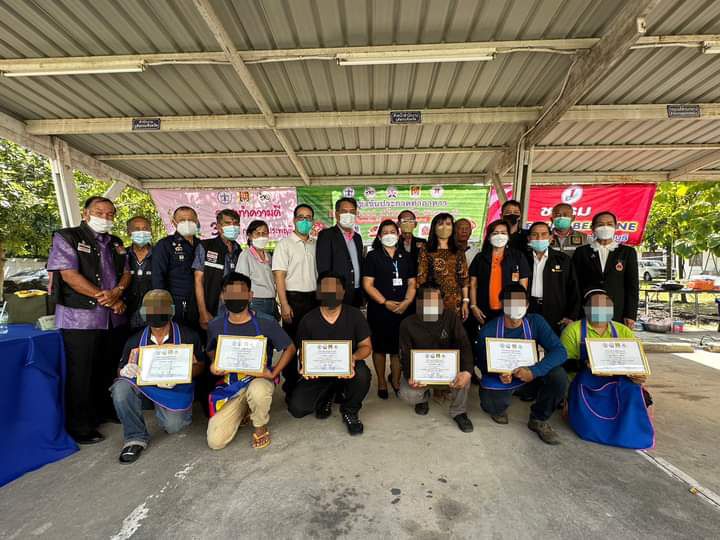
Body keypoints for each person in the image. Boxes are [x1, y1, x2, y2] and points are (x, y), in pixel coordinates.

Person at [47, 196, 131, 445]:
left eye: (110, 214)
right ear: (85, 214)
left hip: (112, 318)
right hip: (80, 319)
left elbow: (126, 272)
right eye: (99, 212)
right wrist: (106, 298)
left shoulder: (115, 242)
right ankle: (80, 427)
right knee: (81, 373)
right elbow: (69, 275)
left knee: (107, 367)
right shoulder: (67, 237)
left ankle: (105, 411)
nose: (105, 217)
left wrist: (117, 292)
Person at [110, 289, 205, 463]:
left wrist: (186, 370)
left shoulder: (188, 335)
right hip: (146, 386)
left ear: (172, 311)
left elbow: (201, 366)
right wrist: (125, 371)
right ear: (143, 313)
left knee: (174, 426)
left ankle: (168, 410)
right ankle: (135, 437)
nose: (156, 313)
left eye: (161, 309)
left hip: (175, 388)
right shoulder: (135, 340)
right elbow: (120, 369)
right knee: (120, 388)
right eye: (151, 310)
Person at [206, 273, 296, 450]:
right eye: (230, 293)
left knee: (258, 391)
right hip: (232, 385)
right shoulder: (215, 325)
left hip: (258, 379)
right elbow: (210, 349)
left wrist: (273, 372)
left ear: (250, 295)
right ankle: (245, 408)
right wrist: (214, 364)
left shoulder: (266, 322)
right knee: (215, 442)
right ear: (222, 296)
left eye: (241, 293)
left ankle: (260, 426)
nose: (236, 298)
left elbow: (290, 348)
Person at [474, 284, 568, 444]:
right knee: (491, 404)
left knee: (559, 376)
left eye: (520, 303)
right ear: (502, 304)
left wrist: (534, 371)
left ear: (527, 305)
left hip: (531, 376)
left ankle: (538, 419)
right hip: (504, 378)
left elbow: (560, 351)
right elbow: (481, 364)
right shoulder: (487, 331)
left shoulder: (536, 322)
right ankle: (499, 406)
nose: (516, 307)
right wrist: (498, 373)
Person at [561, 289, 654, 449]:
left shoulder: (623, 331)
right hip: (586, 383)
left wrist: (638, 375)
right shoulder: (573, 331)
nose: (601, 311)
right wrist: (584, 365)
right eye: (596, 307)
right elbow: (562, 363)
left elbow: (637, 361)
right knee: (587, 423)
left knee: (634, 392)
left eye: (605, 308)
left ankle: (629, 433)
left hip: (618, 382)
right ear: (586, 309)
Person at [287, 272, 373, 435]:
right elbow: (302, 351)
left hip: (348, 369)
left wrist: (353, 358)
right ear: (318, 292)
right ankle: (328, 394)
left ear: (343, 292)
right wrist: (305, 365)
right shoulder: (308, 319)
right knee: (297, 409)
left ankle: (350, 410)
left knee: (363, 374)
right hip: (319, 373)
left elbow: (366, 346)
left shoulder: (355, 315)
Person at [398, 283, 474, 432]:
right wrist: (410, 376)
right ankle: (423, 399)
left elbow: (464, 345)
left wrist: (467, 371)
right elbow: (405, 354)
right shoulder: (407, 324)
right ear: (418, 302)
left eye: (436, 300)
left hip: (448, 372)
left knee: (465, 377)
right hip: (423, 373)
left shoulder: (451, 317)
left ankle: (459, 411)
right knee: (407, 394)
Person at [362, 220, 417, 399]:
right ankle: (381, 382)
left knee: (397, 348)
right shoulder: (373, 256)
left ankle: (395, 379)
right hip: (380, 309)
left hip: (403, 309)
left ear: (398, 234)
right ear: (379, 236)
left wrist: (407, 302)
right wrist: (384, 302)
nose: (389, 235)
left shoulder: (406, 256)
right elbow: (368, 284)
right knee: (379, 348)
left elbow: (412, 283)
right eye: (385, 232)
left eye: (392, 231)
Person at [272, 204, 318, 392]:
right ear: (294, 220)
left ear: (313, 221)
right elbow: (279, 276)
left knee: (312, 342)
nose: (305, 221)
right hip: (293, 299)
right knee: (291, 344)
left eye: (308, 218)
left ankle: (311, 381)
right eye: (301, 217)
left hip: (314, 299)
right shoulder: (284, 244)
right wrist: (284, 304)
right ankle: (291, 385)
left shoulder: (316, 244)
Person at [571, 211, 639, 327]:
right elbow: (575, 284)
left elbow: (632, 286)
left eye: (609, 224)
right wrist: (573, 313)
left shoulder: (627, 252)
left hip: (617, 310)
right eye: (600, 224)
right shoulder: (582, 252)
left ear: (616, 227)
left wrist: (630, 314)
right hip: (587, 308)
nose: (605, 227)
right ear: (593, 228)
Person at [469, 219, 529, 327]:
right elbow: (473, 283)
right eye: (495, 233)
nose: (499, 236)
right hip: (484, 309)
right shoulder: (480, 257)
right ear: (489, 237)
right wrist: (473, 306)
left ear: (508, 236)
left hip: (510, 309)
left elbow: (523, 285)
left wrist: (519, 308)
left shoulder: (518, 256)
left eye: (503, 233)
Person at [525, 221, 580, 335]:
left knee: (552, 341)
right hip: (528, 308)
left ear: (550, 238)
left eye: (544, 234)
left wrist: (571, 316)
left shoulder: (563, 259)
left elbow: (573, 289)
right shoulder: (522, 258)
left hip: (555, 311)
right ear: (529, 238)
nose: (539, 238)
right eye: (535, 234)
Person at [194, 209, 242, 329]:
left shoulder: (239, 250)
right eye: (228, 223)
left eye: (235, 223)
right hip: (212, 308)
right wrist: (202, 312)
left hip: (235, 309)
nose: (233, 226)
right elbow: (198, 280)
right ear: (219, 227)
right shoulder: (205, 246)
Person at [152, 206, 200, 327]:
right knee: (178, 335)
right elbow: (158, 277)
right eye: (182, 220)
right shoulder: (165, 245)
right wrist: (162, 305)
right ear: (174, 222)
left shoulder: (202, 245)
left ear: (197, 221)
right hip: (175, 303)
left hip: (199, 302)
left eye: (191, 220)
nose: (187, 223)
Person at [416, 213, 469, 320]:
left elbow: (464, 278)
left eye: (448, 224)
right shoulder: (426, 249)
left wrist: (465, 301)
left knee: (452, 327)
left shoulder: (458, 250)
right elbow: (421, 277)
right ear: (434, 227)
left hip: (454, 298)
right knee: (432, 326)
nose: (445, 227)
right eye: (440, 224)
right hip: (431, 296)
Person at [316, 197, 365, 307]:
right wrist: (330, 297)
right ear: (337, 214)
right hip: (336, 294)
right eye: (344, 211)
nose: (348, 214)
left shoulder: (357, 238)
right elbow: (323, 268)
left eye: (352, 212)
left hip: (356, 292)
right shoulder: (327, 235)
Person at [235, 220, 276, 319]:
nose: (261, 236)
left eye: (264, 233)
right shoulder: (245, 255)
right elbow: (240, 283)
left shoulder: (269, 256)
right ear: (250, 236)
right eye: (257, 233)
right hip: (255, 302)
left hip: (271, 301)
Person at [124, 216, 154, 329]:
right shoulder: (121, 255)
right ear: (129, 232)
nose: (141, 232)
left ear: (150, 231)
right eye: (137, 229)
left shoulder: (160, 254)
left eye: (145, 228)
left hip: (153, 313)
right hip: (125, 312)